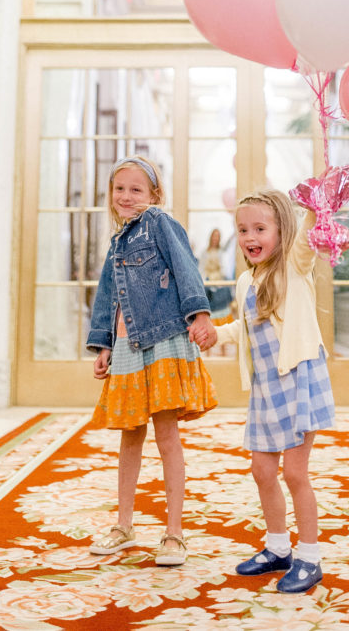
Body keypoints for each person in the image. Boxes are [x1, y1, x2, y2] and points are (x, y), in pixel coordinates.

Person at [191, 189, 334, 594]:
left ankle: (309, 556)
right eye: (243, 229)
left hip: (298, 380)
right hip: (266, 389)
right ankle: (278, 548)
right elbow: (248, 328)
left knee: (294, 472)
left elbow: (307, 235)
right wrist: (216, 333)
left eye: (260, 228)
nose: (250, 236)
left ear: (280, 230)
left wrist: (313, 201)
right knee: (262, 470)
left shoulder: (293, 264)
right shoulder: (244, 281)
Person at [87, 155, 217, 568]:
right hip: (127, 347)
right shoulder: (116, 242)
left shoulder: (160, 223)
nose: (126, 196)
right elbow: (108, 297)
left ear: (153, 194)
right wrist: (104, 344)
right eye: (119, 188)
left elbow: (185, 267)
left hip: (162, 339)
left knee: (166, 436)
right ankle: (124, 526)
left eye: (136, 189)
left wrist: (199, 313)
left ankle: (174, 533)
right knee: (129, 437)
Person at [199, 227, 233, 320]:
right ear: (211, 237)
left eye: (217, 236)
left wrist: (220, 278)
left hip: (220, 279)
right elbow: (201, 269)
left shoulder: (222, 252)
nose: (215, 238)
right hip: (208, 279)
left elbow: (224, 269)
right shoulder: (204, 252)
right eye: (214, 236)